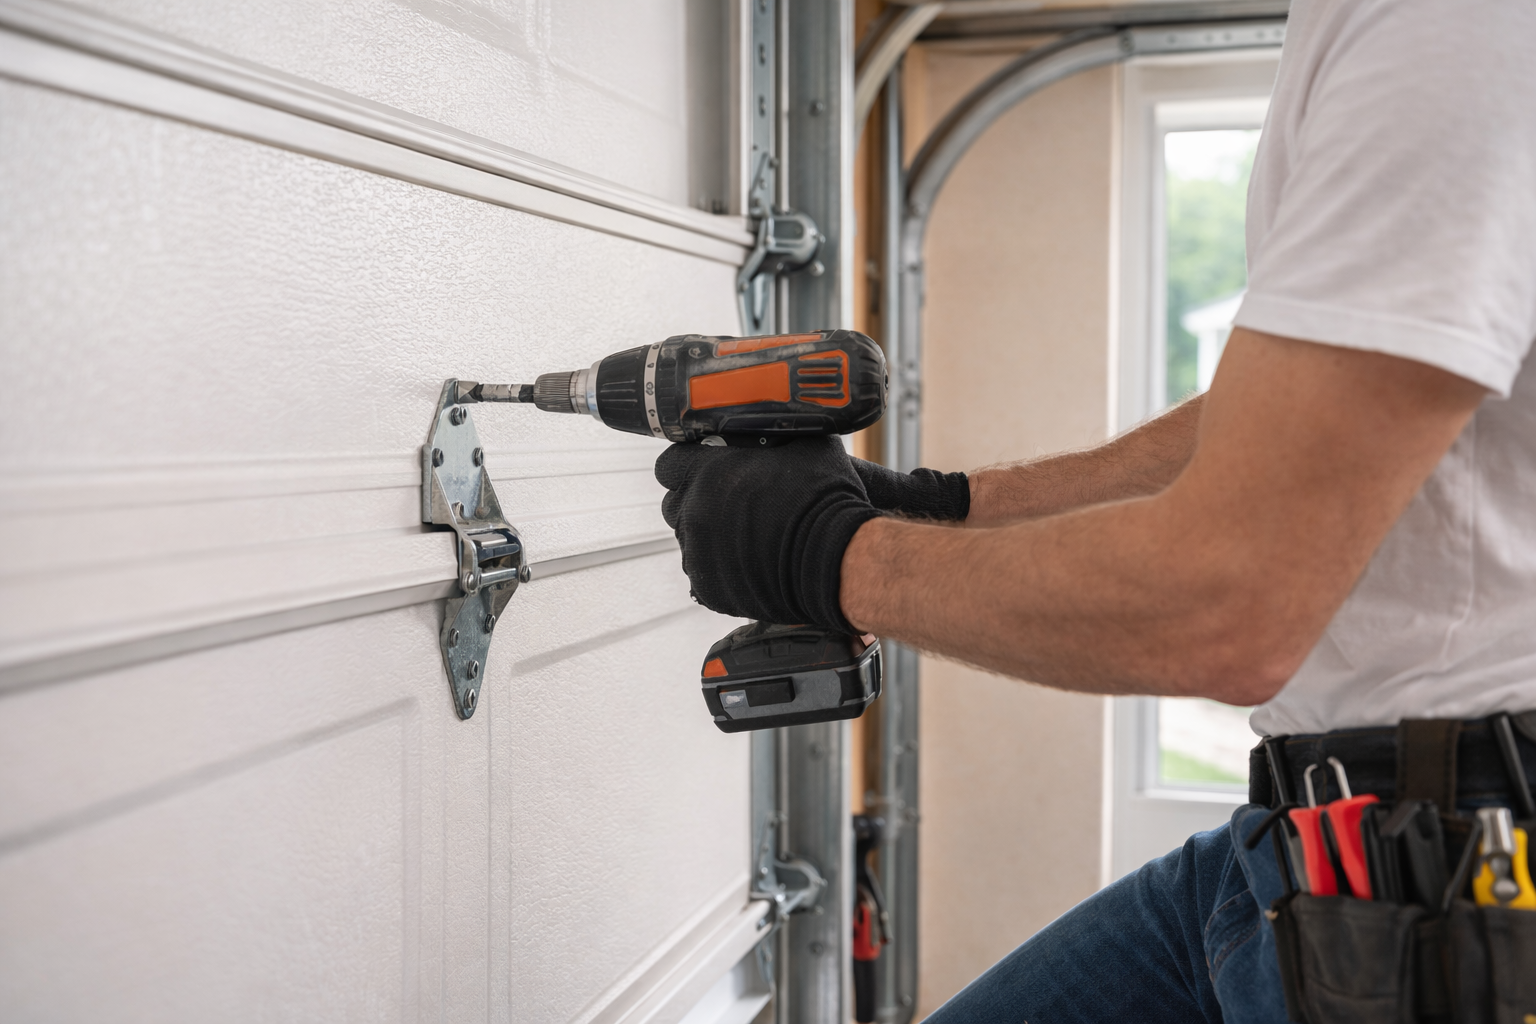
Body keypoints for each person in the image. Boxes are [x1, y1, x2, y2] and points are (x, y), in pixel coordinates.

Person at [656, 0, 1536, 1019]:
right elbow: (1281, 423)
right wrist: (946, 507)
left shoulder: (1455, 26)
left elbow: (1228, 604)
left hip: (1441, 886)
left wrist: (831, 552)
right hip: (1294, 850)